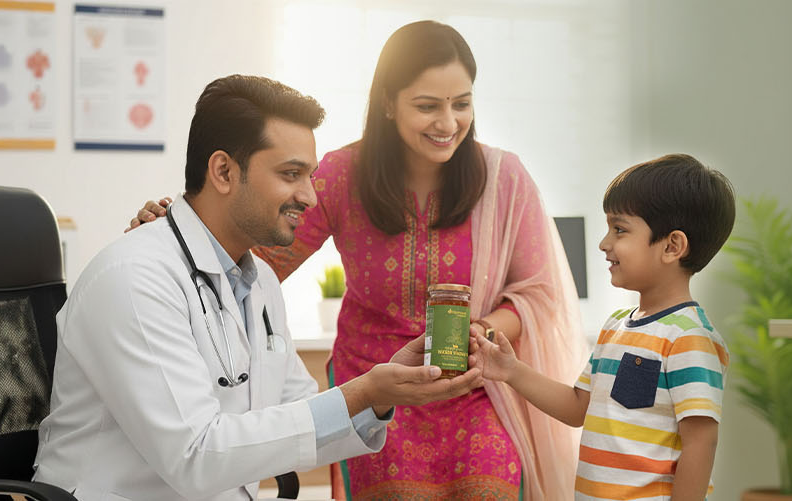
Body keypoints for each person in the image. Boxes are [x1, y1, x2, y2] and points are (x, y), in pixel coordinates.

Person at [128, 21, 585, 500]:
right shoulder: (341, 175)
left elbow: (538, 293)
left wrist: (478, 336)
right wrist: (178, 236)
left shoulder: (504, 179)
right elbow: (254, 256)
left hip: (472, 389)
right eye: (427, 105)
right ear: (388, 103)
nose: (448, 123)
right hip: (376, 391)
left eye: (462, 103)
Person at [34, 75, 482, 501]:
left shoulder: (259, 282)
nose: (310, 196)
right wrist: (361, 391)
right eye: (291, 174)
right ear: (224, 172)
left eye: (310, 175)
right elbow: (195, 456)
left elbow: (305, 416)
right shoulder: (134, 278)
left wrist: (379, 394)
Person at [472, 154, 736, 501]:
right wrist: (511, 371)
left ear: (672, 246)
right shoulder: (616, 328)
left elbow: (701, 441)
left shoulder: (689, 339)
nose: (604, 243)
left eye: (620, 229)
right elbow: (575, 407)